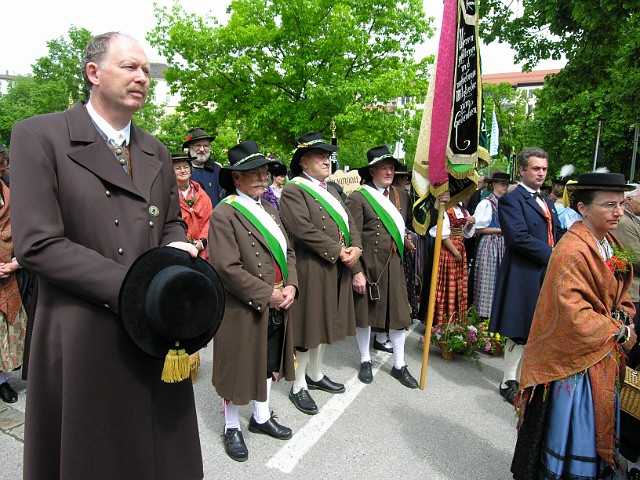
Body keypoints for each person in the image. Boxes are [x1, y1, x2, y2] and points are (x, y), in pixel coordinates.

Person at [10, 32, 204, 479]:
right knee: (93, 456)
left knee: (159, 453)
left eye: (146, 70)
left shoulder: (154, 148)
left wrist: (176, 248)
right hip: (82, 330)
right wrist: (136, 286)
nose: (142, 77)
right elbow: (37, 243)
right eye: (130, 67)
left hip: (154, 327)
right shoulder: (40, 136)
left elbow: (171, 221)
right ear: (93, 73)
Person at [511, 172, 638, 480]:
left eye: (621, 204)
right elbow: (572, 313)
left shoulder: (609, 242)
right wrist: (618, 331)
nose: (618, 212)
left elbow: (620, 294)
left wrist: (622, 312)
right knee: (576, 427)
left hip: (601, 354)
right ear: (583, 208)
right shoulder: (571, 250)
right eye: (609, 205)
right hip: (572, 364)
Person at [209, 141, 298, 462]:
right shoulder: (224, 214)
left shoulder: (270, 209)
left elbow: (288, 251)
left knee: (266, 361)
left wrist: (291, 287)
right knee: (236, 367)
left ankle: (261, 418)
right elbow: (226, 267)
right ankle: (231, 426)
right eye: (254, 173)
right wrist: (268, 294)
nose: (262, 177)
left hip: (278, 297)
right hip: (242, 306)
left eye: (264, 172)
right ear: (236, 178)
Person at [279, 131, 362, 415]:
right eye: (320, 157)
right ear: (304, 162)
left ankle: (316, 374)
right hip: (311, 267)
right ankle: (298, 385)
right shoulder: (294, 189)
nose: (327, 161)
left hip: (335, 267)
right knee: (308, 327)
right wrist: (338, 251)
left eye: (328, 157)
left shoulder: (333, 190)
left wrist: (357, 249)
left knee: (326, 323)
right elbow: (302, 229)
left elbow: (351, 223)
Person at [489, 147, 564, 405]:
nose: (541, 173)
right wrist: (553, 254)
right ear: (522, 170)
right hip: (523, 271)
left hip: (545, 270)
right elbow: (518, 238)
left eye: (544, 169)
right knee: (520, 327)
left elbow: (558, 231)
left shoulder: (547, 201)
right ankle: (508, 381)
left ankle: (525, 377)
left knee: (536, 327)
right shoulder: (512, 199)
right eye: (535, 168)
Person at [346, 146, 418, 387]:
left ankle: (399, 364)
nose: (389, 171)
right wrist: (356, 271)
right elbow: (350, 235)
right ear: (372, 170)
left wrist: (405, 240)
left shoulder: (401, 195)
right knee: (365, 314)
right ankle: (365, 360)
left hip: (394, 263)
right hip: (369, 263)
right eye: (384, 167)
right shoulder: (358, 197)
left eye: (391, 167)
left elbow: (403, 225)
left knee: (399, 314)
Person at [0, 163, 27, 404]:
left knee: (4, 330)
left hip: (9, 272)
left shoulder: (10, 189)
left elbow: (26, 229)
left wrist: (17, 262)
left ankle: (2, 380)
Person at [429, 202, 475, 325]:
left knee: (458, 284)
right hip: (447, 251)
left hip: (460, 249)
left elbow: (465, 234)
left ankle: (455, 319)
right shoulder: (445, 210)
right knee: (445, 283)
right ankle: (441, 320)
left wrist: (470, 224)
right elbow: (442, 235)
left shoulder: (463, 210)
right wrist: (455, 252)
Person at [472, 171, 510, 320]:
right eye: (502, 184)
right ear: (493, 185)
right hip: (490, 244)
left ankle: (497, 314)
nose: (505, 186)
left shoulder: (506, 203)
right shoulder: (486, 203)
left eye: (506, 184)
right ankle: (483, 315)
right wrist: (501, 230)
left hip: (503, 244)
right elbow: (478, 228)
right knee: (487, 278)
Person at [173, 153, 213, 261]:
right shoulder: (168, 196)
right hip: (180, 247)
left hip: (204, 248)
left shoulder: (202, 194)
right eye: (178, 168)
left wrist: (202, 242)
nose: (183, 170)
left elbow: (209, 220)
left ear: (190, 171)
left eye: (186, 167)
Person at [183, 127, 223, 207]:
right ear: (190, 148)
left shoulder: (218, 170)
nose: (202, 149)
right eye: (197, 145)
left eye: (205, 145)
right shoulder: (181, 171)